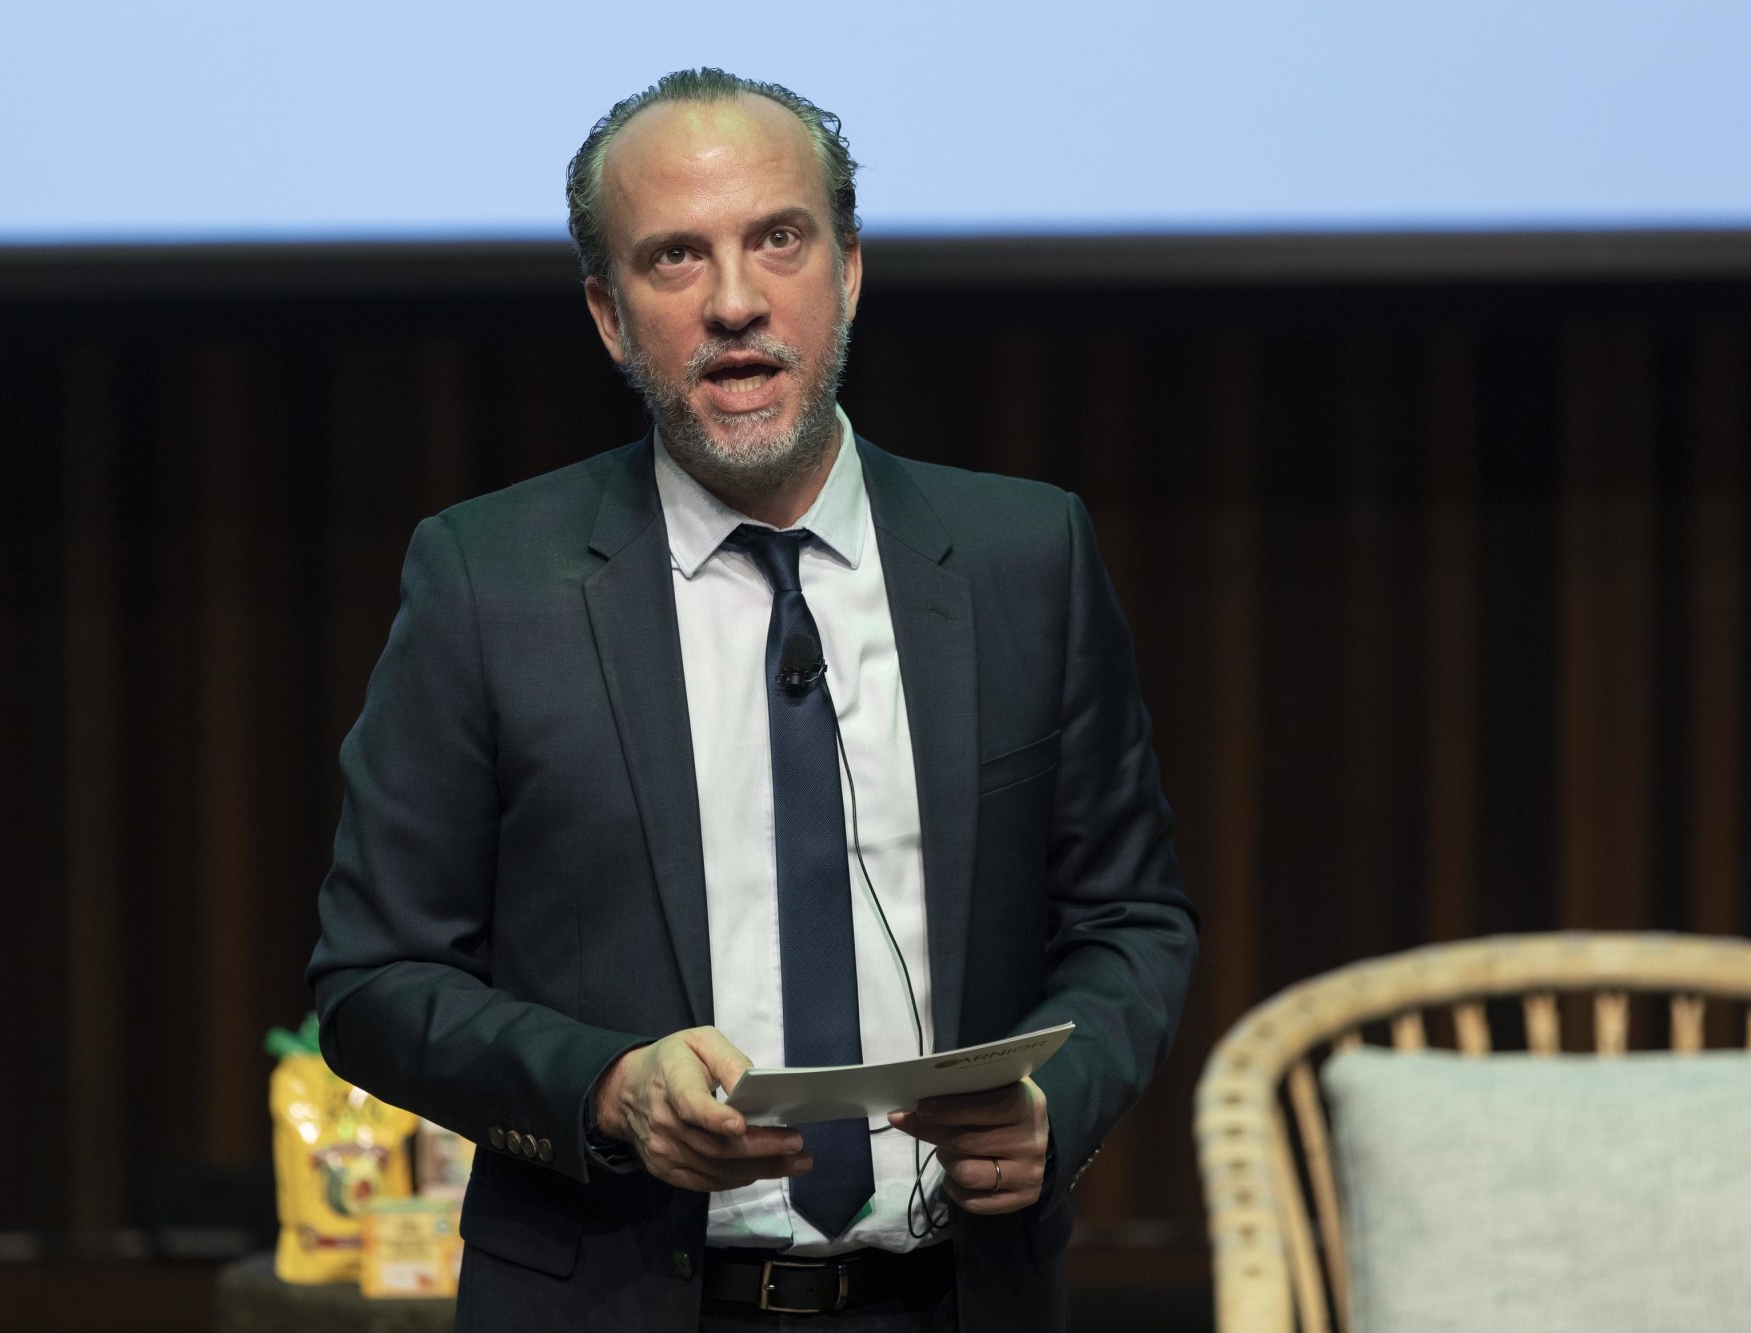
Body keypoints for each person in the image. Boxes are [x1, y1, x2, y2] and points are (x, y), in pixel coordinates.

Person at [307, 68, 1197, 1332]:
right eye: (674, 258)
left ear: (845, 271)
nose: (734, 301)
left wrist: (1057, 1102)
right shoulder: (486, 581)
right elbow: (375, 978)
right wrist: (610, 1087)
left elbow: (1131, 917)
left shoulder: (1021, 557)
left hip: (954, 1297)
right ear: (611, 318)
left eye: (776, 239)